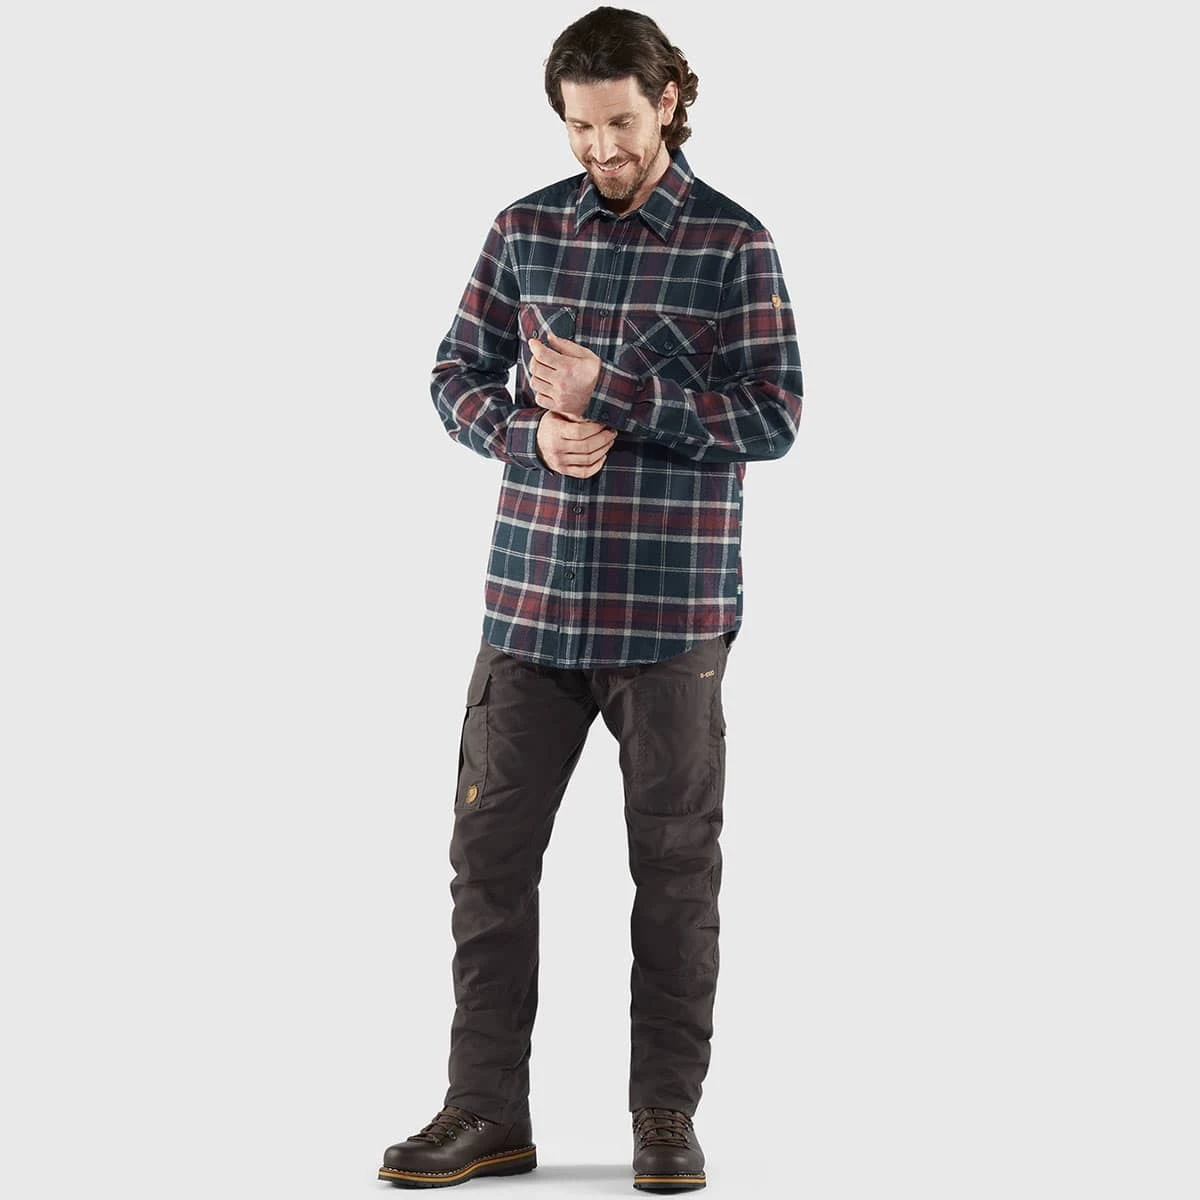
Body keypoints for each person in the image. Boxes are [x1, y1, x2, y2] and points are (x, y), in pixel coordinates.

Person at [378, 5, 803, 1192]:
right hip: (530, 612)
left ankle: (664, 1116)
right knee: (487, 864)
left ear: (668, 100)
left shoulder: (733, 244)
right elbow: (453, 378)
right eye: (580, 128)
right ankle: (484, 1113)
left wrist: (615, 393)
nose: (602, 148)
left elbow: (773, 416)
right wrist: (528, 433)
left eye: (620, 122)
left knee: (675, 874)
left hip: (670, 620)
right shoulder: (522, 230)